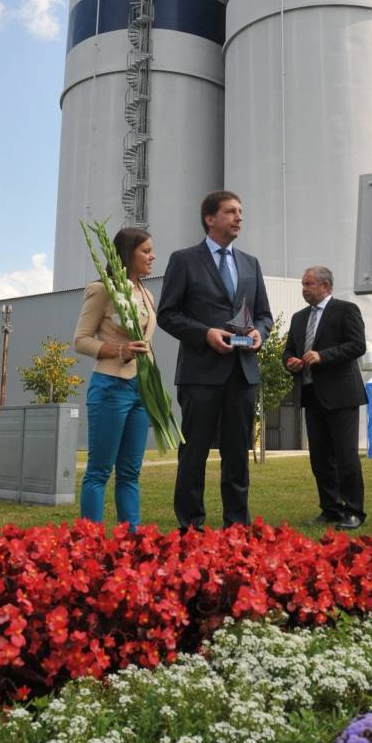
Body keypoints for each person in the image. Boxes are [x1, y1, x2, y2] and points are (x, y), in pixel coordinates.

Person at [157, 191, 273, 529]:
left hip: (242, 372)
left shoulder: (250, 263)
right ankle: (191, 526)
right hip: (200, 373)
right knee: (194, 453)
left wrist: (260, 333)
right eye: (231, 211)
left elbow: (264, 315)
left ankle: (236, 526)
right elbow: (168, 314)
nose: (239, 217)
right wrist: (205, 333)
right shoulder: (184, 260)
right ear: (210, 218)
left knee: (237, 454)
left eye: (241, 211)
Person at [74, 228, 157, 532]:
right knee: (99, 471)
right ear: (127, 254)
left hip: (141, 390)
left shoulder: (147, 294)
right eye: (146, 251)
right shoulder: (102, 290)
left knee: (130, 474)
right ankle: (91, 542)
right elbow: (81, 340)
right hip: (111, 386)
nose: (152, 257)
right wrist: (118, 350)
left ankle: (131, 542)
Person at [283, 266, 368, 530]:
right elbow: (287, 351)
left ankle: (353, 511)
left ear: (325, 286)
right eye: (303, 284)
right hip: (311, 395)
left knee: (346, 456)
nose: (303, 289)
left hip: (342, 395)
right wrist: (291, 362)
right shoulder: (299, 318)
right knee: (319, 458)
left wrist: (323, 356)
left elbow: (358, 345)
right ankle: (330, 509)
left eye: (308, 284)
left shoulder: (346, 310)